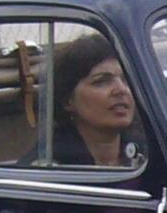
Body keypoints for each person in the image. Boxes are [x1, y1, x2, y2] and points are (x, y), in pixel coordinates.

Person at [48, 34, 144, 167]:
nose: (121, 90)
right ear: (67, 100)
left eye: (126, 79)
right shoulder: (51, 168)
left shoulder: (152, 151)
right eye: (101, 81)